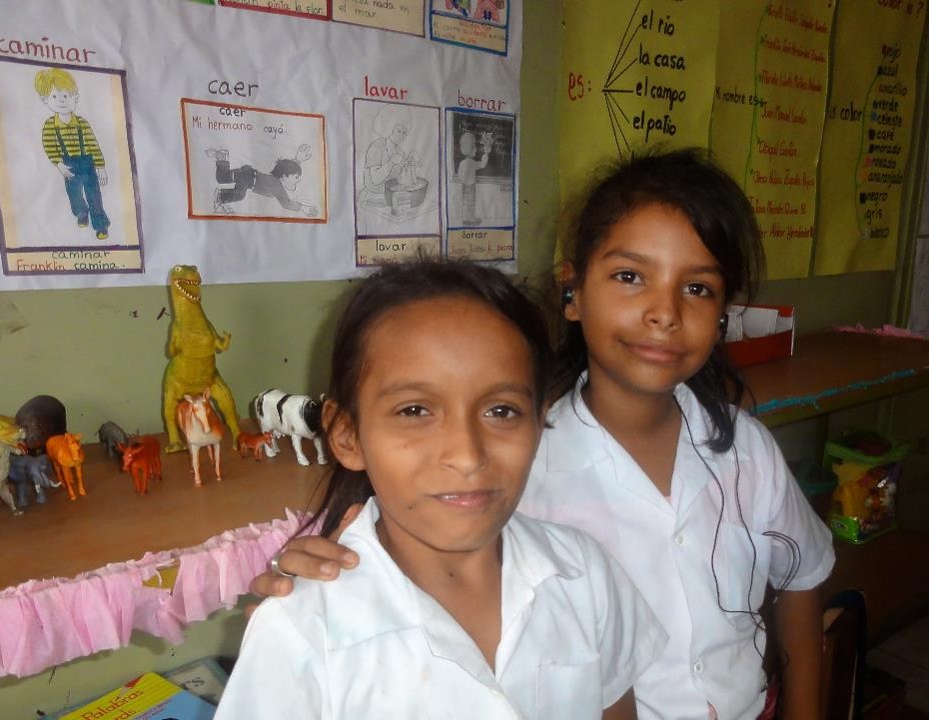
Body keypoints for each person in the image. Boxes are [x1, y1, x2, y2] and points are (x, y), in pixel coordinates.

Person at [254, 148, 835, 719]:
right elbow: (403, 551)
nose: (664, 312)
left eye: (698, 288)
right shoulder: (510, 467)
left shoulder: (746, 448)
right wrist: (320, 574)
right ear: (573, 292)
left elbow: (802, 578)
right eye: (631, 276)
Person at [216, 259, 664, 719]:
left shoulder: (586, 575)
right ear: (348, 435)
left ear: (539, 418)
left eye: (502, 411)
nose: (467, 455)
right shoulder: (300, 632)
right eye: (414, 411)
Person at [35, 68, 110, 240]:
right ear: (45, 99)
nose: (61, 100)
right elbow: (50, 146)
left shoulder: (82, 123)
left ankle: (101, 225)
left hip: (88, 164)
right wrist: (59, 165)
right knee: (75, 195)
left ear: (75, 97)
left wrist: (100, 166)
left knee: (94, 195)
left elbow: (93, 144)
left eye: (66, 95)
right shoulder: (50, 126)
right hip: (68, 165)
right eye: (55, 96)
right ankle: (81, 214)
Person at [206, 145, 317, 217]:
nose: (298, 181)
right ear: (283, 177)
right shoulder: (278, 188)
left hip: (247, 174)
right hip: (247, 178)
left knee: (222, 178)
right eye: (296, 178)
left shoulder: (278, 180)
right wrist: (302, 208)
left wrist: (297, 160)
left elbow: (286, 168)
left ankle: (222, 157)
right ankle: (219, 197)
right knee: (239, 195)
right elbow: (286, 204)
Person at [457, 130, 492, 226]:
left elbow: (460, 175)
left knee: (465, 204)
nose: (476, 150)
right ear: (470, 148)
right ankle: (471, 220)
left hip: (465, 187)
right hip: (470, 187)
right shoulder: (471, 163)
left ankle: (465, 219)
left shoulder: (463, 163)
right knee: (471, 204)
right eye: (474, 148)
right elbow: (483, 164)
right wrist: (486, 153)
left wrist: (463, 181)